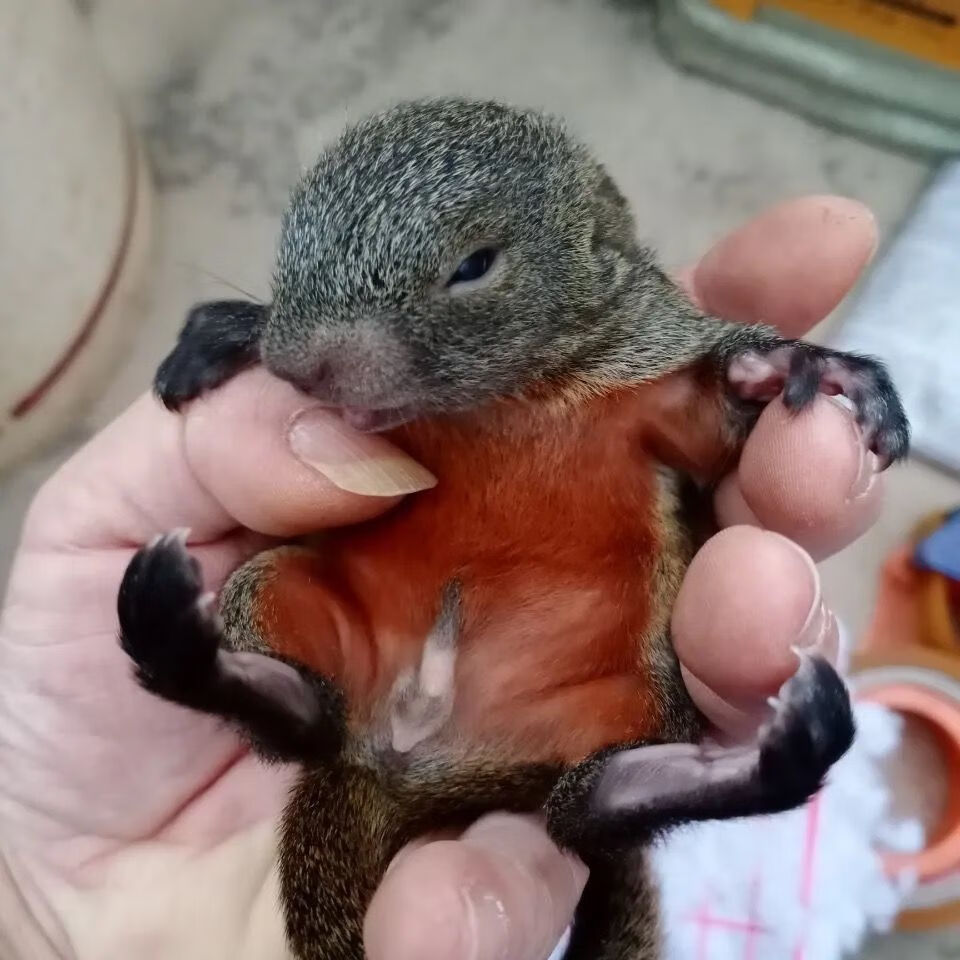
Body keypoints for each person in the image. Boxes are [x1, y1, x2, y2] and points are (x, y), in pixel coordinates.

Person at [0, 196, 886, 960]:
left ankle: (737, 777)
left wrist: (801, 376)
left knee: (604, 758)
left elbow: (719, 394)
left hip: (553, 701)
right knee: (264, 599)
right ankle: (215, 670)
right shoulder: (389, 403)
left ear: (581, 256)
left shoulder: (641, 361)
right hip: (361, 687)